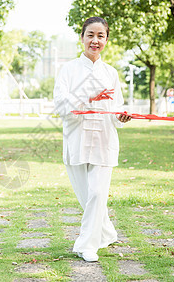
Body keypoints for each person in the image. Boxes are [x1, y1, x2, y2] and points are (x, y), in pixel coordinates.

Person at [53, 17, 131, 262]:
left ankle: (86, 245)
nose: (95, 40)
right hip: (76, 140)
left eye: (101, 36)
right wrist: (88, 99)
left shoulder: (111, 73)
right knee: (87, 198)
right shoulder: (68, 70)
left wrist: (121, 115)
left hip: (104, 140)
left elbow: (116, 108)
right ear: (82, 37)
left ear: (106, 40)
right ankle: (106, 232)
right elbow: (60, 104)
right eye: (91, 35)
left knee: (97, 194)